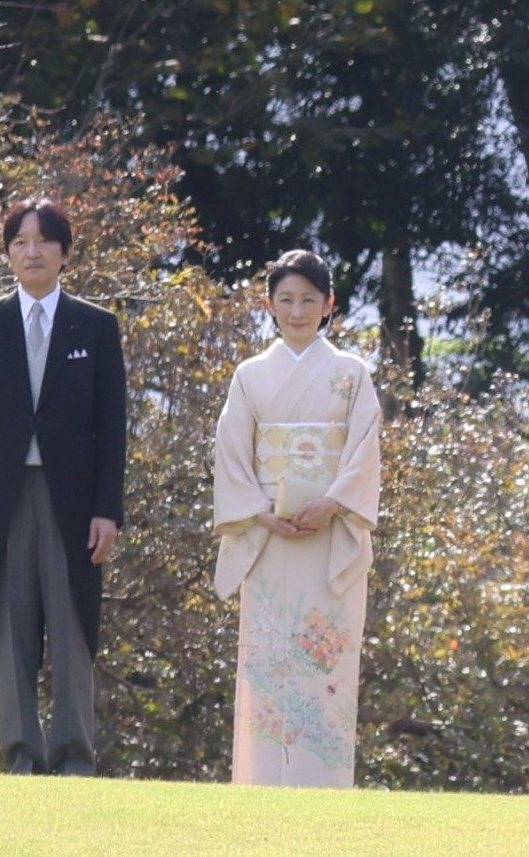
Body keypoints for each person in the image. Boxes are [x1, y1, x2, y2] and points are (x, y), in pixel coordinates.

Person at [0, 198, 130, 777]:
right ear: (8, 253)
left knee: (73, 622)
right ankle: (21, 756)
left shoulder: (96, 326)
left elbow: (112, 426)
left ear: (64, 252)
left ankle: (74, 758)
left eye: (44, 241)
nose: (32, 251)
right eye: (20, 241)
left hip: (72, 501)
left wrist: (108, 510)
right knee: (10, 623)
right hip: (1, 501)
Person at [210, 250, 384, 787]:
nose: (297, 310)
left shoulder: (351, 373)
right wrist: (260, 513)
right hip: (268, 535)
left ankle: (323, 782)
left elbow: (364, 451)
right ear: (269, 305)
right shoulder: (251, 375)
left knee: (323, 657)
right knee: (268, 657)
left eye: (309, 298)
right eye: (285, 299)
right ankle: (262, 781)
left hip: (327, 533)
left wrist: (333, 502)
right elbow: (231, 452)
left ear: (330, 304)